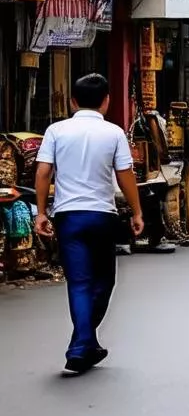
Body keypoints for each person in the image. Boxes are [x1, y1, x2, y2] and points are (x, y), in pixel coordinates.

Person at [33, 74, 144, 375]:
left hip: (68, 217)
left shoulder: (56, 131)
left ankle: (84, 342)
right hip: (102, 215)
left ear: (72, 101)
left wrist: (41, 213)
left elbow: (43, 172)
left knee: (79, 283)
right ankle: (82, 344)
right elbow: (125, 175)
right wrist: (137, 212)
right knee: (104, 281)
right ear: (106, 101)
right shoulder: (114, 133)